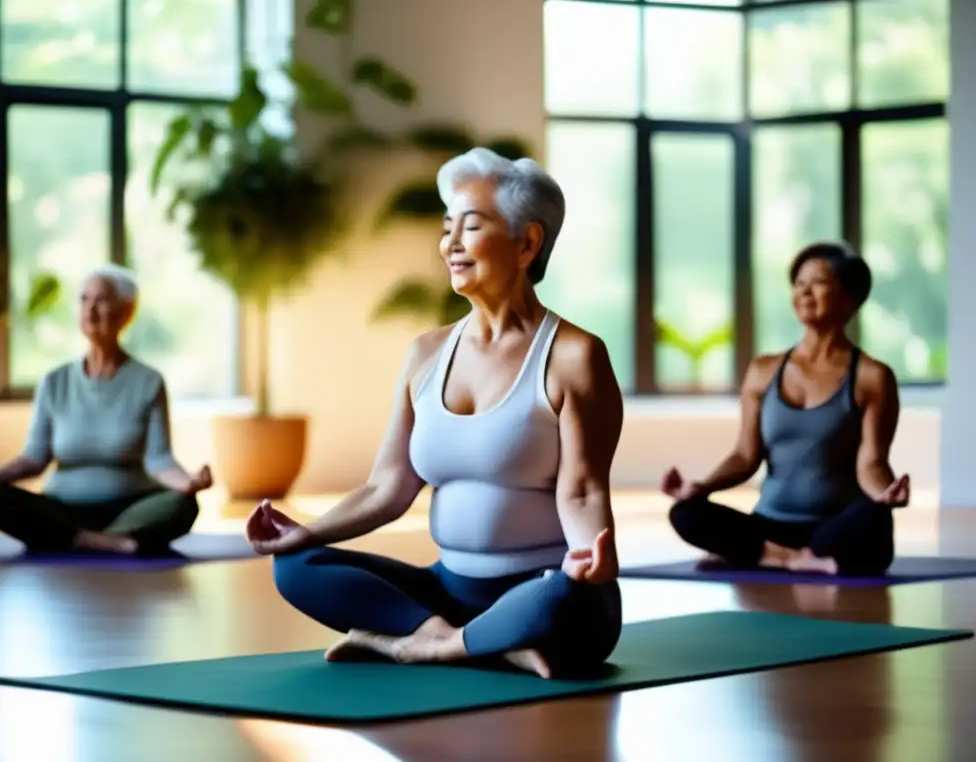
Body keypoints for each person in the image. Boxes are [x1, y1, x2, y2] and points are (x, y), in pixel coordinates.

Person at [245, 148, 624, 679]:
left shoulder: (574, 356)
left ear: (527, 242)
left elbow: (582, 489)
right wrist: (305, 533)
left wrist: (591, 556)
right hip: (446, 590)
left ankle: (414, 643)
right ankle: (465, 641)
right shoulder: (425, 355)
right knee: (296, 569)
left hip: (539, 586)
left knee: (564, 602)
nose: (450, 244)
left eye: (470, 227)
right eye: (447, 228)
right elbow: (388, 488)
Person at [662, 241, 908, 576]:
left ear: (850, 299)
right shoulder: (763, 371)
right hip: (768, 525)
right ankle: (790, 557)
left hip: (831, 528)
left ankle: (765, 556)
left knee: (875, 518)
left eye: (818, 283)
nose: (804, 292)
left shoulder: (872, 377)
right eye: (799, 283)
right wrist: (703, 486)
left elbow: (872, 461)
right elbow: (745, 456)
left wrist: (885, 493)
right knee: (685, 512)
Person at [0, 263, 212, 555]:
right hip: (63, 509)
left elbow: (159, 459)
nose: (90, 309)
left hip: (128, 509)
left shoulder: (148, 381)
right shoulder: (54, 381)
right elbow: (33, 458)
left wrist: (188, 482)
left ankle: (75, 539)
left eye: (101, 300)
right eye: (84, 299)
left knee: (182, 505)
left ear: (126, 312)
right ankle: (106, 542)